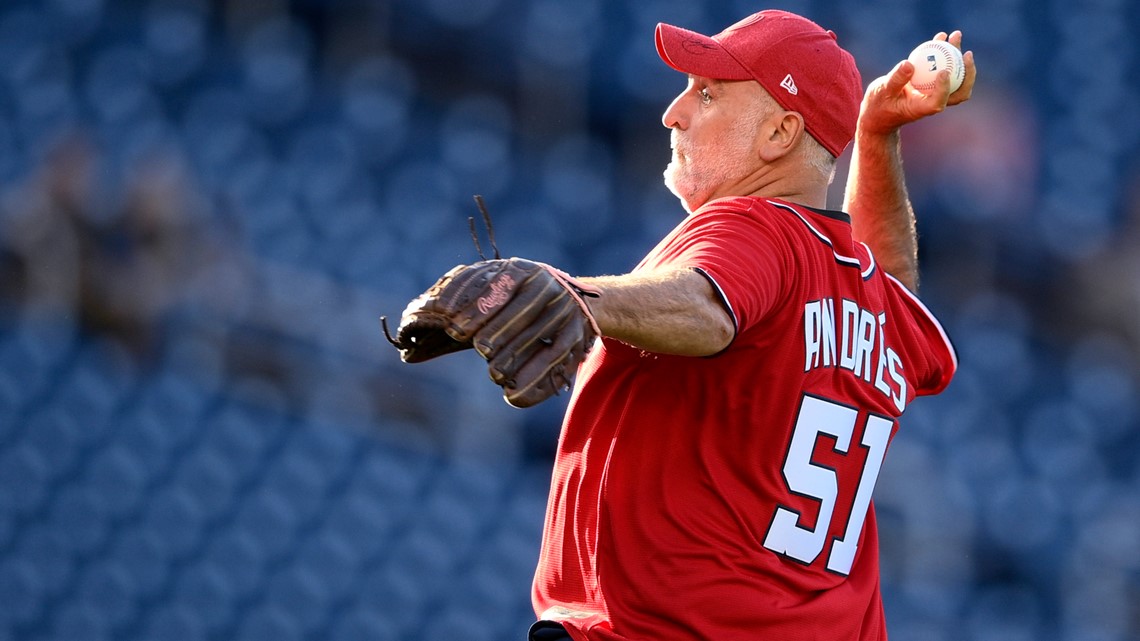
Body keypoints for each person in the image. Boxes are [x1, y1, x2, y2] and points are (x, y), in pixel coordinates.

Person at [521, 9, 976, 641]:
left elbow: (708, 306)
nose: (672, 113)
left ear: (780, 134)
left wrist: (573, 296)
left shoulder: (752, 226)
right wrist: (875, 136)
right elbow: (893, 284)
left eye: (706, 94)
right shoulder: (863, 288)